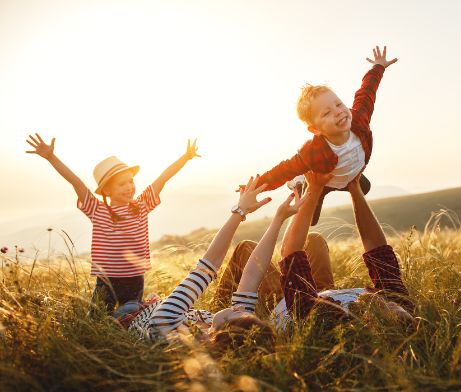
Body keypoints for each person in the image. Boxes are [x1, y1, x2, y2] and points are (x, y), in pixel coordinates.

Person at [121, 176, 307, 354]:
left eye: (237, 314)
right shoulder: (226, 331)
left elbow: (208, 265)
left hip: (138, 311)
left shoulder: (166, 324)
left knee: (125, 306)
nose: (239, 309)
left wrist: (240, 210)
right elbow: (252, 273)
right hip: (167, 307)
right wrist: (278, 220)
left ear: (216, 334)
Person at [26, 133, 200, 314]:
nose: (129, 187)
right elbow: (75, 181)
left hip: (134, 278)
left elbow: (163, 178)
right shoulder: (97, 209)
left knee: (131, 315)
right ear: (107, 190)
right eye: (121, 184)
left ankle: (129, 315)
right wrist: (51, 157)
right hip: (106, 280)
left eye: (130, 181)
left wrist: (185, 157)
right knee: (97, 317)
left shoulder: (141, 206)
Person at [251, 46, 398, 225]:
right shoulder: (313, 152)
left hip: (349, 173)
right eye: (326, 113)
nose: (338, 112)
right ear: (315, 130)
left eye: (338, 104)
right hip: (325, 180)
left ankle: (346, 180)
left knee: (364, 188)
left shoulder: (359, 120)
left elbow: (367, 93)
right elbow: (284, 170)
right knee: (310, 220)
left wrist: (378, 67)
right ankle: (300, 182)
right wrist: (255, 188)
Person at [274, 170, 414, 328]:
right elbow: (377, 250)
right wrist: (355, 187)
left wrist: (313, 188)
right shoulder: (398, 303)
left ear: (377, 323)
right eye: (408, 314)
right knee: (314, 240)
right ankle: (309, 189)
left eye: (396, 314)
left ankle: (303, 190)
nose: (398, 307)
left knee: (247, 250)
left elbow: (289, 252)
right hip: (324, 292)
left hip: (284, 301)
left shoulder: (330, 321)